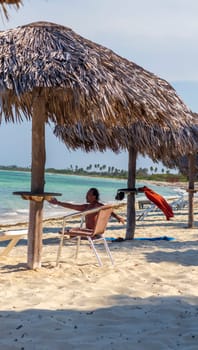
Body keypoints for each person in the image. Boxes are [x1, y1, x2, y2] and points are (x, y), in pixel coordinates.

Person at [48, 187, 125, 229]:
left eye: (88, 195)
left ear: (94, 197)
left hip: (91, 233)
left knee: (69, 233)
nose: (86, 196)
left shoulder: (97, 206)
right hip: (94, 232)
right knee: (71, 232)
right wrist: (58, 203)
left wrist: (117, 216)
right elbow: (72, 206)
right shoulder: (88, 207)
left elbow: (109, 209)